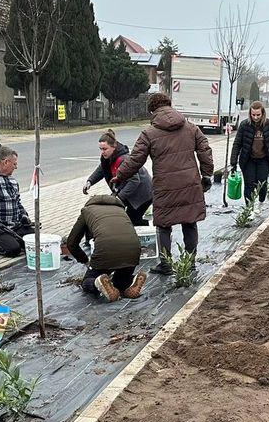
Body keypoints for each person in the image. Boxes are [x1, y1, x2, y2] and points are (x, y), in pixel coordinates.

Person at [114, 92, 214, 276]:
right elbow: (205, 150)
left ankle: (166, 264)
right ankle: (190, 263)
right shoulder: (191, 127)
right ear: (169, 105)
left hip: (164, 186)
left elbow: (135, 159)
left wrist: (119, 176)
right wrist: (206, 175)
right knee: (190, 223)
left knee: (163, 225)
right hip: (190, 183)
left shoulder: (149, 133)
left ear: (152, 110)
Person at [66, 195, 146, 302]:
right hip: (133, 249)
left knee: (87, 281)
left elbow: (71, 243)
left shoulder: (87, 211)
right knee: (119, 282)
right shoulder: (120, 209)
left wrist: (85, 260)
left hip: (106, 250)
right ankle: (133, 280)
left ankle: (97, 282)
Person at [83, 128, 154, 226]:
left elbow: (134, 181)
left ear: (114, 147)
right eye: (100, 149)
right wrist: (90, 182)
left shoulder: (123, 159)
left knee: (131, 220)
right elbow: (101, 170)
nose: (102, 152)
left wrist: (119, 198)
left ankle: (154, 225)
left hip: (143, 193)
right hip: (129, 191)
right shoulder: (107, 158)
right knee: (118, 215)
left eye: (105, 149)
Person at [229, 100, 269, 205]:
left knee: (262, 183)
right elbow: (237, 144)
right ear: (250, 114)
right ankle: (249, 207)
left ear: (262, 113)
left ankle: (261, 202)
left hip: (264, 159)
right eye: (253, 115)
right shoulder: (244, 125)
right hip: (248, 159)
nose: (255, 117)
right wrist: (233, 162)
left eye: (258, 115)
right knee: (249, 184)